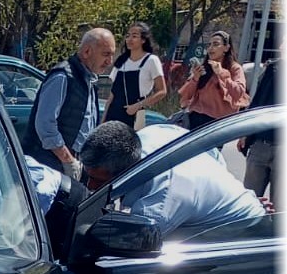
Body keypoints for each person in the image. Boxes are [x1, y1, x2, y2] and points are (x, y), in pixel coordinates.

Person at [78, 121, 265, 238]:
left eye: (97, 180)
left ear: (125, 172)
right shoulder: (153, 133)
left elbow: (132, 243)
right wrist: (215, 194)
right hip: (235, 205)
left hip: (240, 232)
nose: (90, 186)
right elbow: (212, 153)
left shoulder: (160, 204)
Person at [22, 28, 117, 180]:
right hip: (47, 167)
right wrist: (68, 160)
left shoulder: (89, 81)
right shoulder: (62, 77)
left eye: (112, 55)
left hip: (70, 165)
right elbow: (45, 126)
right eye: (106, 54)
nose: (109, 61)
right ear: (87, 52)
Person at [177, 30, 248, 130]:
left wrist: (221, 73)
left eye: (216, 44)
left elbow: (238, 93)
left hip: (218, 124)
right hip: (196, 118)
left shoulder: (234, 68)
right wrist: (195, 78)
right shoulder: (204, 67)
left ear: (226, 48)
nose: (211, 48)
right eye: (209, 45)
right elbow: (186, 95)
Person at [103, 22, 167, 128]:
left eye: (134, 36)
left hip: (135, 115)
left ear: (143, 40)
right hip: (113, 114)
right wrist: (103, 120)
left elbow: (162, 91)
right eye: (128, 36)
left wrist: (137, 106)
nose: (129, 39)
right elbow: (111, 96)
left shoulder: (151, 60)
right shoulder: (121, 61)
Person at [238, 53, 279, 205]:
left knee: (279, 208)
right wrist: (246, 132)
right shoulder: (274, 68)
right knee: (249, 201)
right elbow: (257, 103)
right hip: (261, 143)